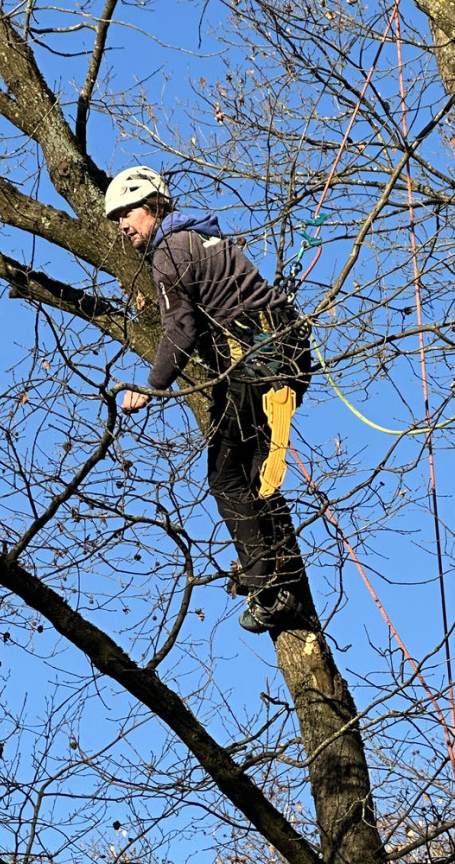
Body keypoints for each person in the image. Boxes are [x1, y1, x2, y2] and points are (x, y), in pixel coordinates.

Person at [105, 166, 316, 633]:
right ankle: (276, 574)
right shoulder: (204, 239)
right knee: (258, 474)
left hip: (253, 357)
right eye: (117, 217)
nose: (122, 225)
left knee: (225, 476)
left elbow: (179, 328)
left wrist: (152, 385)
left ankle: (268, 589)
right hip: (285, 353)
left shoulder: (169, 253)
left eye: (128, 213)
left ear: (153, 207)